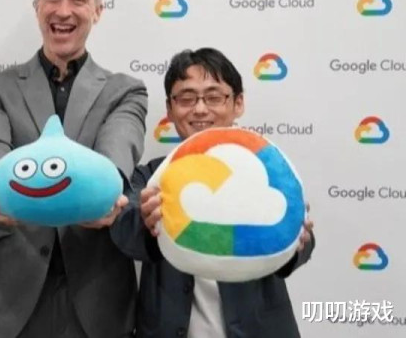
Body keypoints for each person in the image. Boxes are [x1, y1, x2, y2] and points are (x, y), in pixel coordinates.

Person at [0, 0, 148, 338]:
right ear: (36, 7)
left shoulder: (125, 90)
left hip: (97, 296)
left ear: (97, 11)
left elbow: (117, 152)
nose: (63, 11)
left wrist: (106, 194)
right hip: (7, 295)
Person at [111, 47, 315, 338]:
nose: (200, 109)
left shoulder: (266, 166)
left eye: (214, 97)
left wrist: (299, 241)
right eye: (186, 98)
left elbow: (300, 239)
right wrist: (146, 221)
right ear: (169, 109)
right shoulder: (150, 176)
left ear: (238, 103)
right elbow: (124, 229)